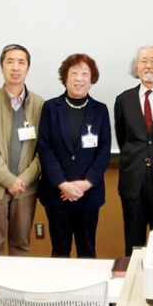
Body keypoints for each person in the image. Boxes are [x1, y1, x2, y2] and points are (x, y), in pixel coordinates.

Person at [37, 54, 111, 258]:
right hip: (57, 194)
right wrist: (63, 184)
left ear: (92, 79)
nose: (79, 79)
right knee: (60, 251)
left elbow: (104, 151)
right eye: (74, 73)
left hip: (89, 194)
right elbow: (45, 148)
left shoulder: (100, 110)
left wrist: (86, 184)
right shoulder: (50, 108)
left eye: (85, 74)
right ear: (65, 77)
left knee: (87, 251)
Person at [0, 44, 43, 256]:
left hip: (25, 189)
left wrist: (23, 179)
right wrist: (9, 180)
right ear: (1, 67)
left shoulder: (40, 104)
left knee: (21, 248)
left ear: (28, 68)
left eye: (21, 62)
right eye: (10, 62)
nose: (15, 67)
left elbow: (44, 150)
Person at [113, 46, 153, 256]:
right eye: (143, 61)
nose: (149, 66)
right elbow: (123, 139)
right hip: (133, 182)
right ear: (136, 68)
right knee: (133, 242)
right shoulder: (123, 100)